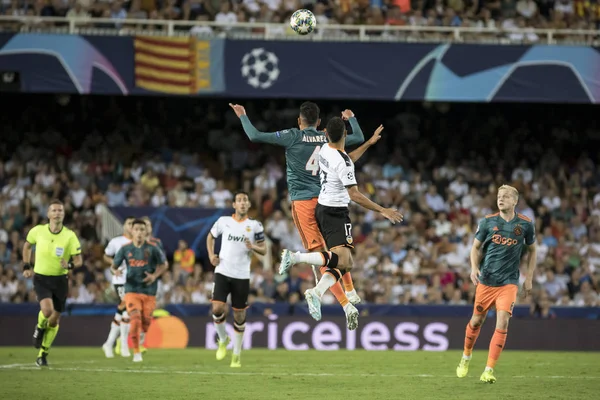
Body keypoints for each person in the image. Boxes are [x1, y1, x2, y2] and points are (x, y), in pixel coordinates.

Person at [229, 102, 370, 328]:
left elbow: (254, 136)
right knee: (337, 251)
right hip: (327, 201)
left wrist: (243, 115)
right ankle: (350, 292)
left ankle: (344, 303)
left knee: (319, 255)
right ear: (319, 122)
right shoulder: (326, 138)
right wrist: (351, 118)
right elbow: (359, 136)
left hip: (304, 202)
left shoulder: (292, 136)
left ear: (299, 120)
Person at [279, 117, 403, 328]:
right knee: (343, 261)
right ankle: (296, 257)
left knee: (346, 262)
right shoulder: (341, 161)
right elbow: (354, 194)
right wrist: (383, 210)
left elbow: (346, 159)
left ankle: (319, 291)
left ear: (326, 133)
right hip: (336, 212)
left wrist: (368, 144)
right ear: (345, 135)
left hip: (323, 208)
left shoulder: (326, 149)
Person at [456, 185, 536, 383]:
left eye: (506, 196)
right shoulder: (487, 222)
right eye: (499, 196)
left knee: (503, 321)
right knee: (476, 321)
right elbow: (475, 248)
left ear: (515, 201)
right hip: (487, 281)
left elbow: (533, 250)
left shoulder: (525, 224)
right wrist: (474, 268)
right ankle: (466, 357)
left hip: (508, 282)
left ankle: (488, 370)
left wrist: (529, 277)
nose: (501, 199)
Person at [207, 191, 266, 368]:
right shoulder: (223, 221)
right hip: (222, 271)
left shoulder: (255, 225)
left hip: (242, 275)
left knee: (240, 314)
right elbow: (210, 237)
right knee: (217, 307)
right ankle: (223, 339)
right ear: (234, 204)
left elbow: (263, 250)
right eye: (239, 200)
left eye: (245, 200)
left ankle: (237, 354)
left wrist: (253, 246)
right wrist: (211, 256)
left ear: (248, 205)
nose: (242, 203)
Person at [22, 199, 83, 367]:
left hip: (60, 280)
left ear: (63, 214)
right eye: (54, 210)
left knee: (55, 320)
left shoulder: (69, 235)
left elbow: (78, 260)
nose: (57, 213)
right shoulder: (38, 231)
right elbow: (27, 247)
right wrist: (27, 265)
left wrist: (69, 265)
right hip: (41, 277)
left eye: (60, 210)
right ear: (48, 214)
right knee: (47, 311)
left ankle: (43, 354)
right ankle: (39, 327)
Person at [110, 219, 168, 363]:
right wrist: (115, 271)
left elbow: (164, 264)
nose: (140, 233)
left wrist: (154, 275)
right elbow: (113, 265)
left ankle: (139, 340)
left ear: (146, 231)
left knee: (146, 322)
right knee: (134, 320)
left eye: (142, 230)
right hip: (131, 290)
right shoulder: (125, 249)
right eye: (137, 230)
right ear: (132, 231)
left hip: (149, 291)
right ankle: (136, 352)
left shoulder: (154, 248)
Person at [102, 216, 135, 359]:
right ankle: (123, 345)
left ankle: (109, 343)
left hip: (135, 281)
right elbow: (106, 256)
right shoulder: (116, 242)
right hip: (121, 279)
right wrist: (113, 265)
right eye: (129, 224)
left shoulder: (138, 243)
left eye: (133, 224)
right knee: (127, 308)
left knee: (121, 311)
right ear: (124, 226)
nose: (131, 226)